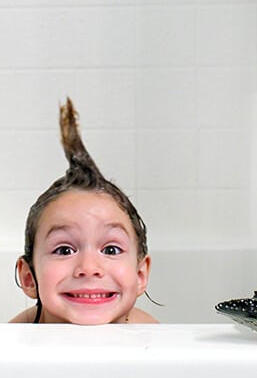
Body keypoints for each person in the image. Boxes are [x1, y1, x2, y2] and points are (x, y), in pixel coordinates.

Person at [9, 98, 158, 324]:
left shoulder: (150, 334)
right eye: (64, 250)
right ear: (29, 278)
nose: (88, 268)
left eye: (111, 249)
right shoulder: (15, 337)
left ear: (140, 276)